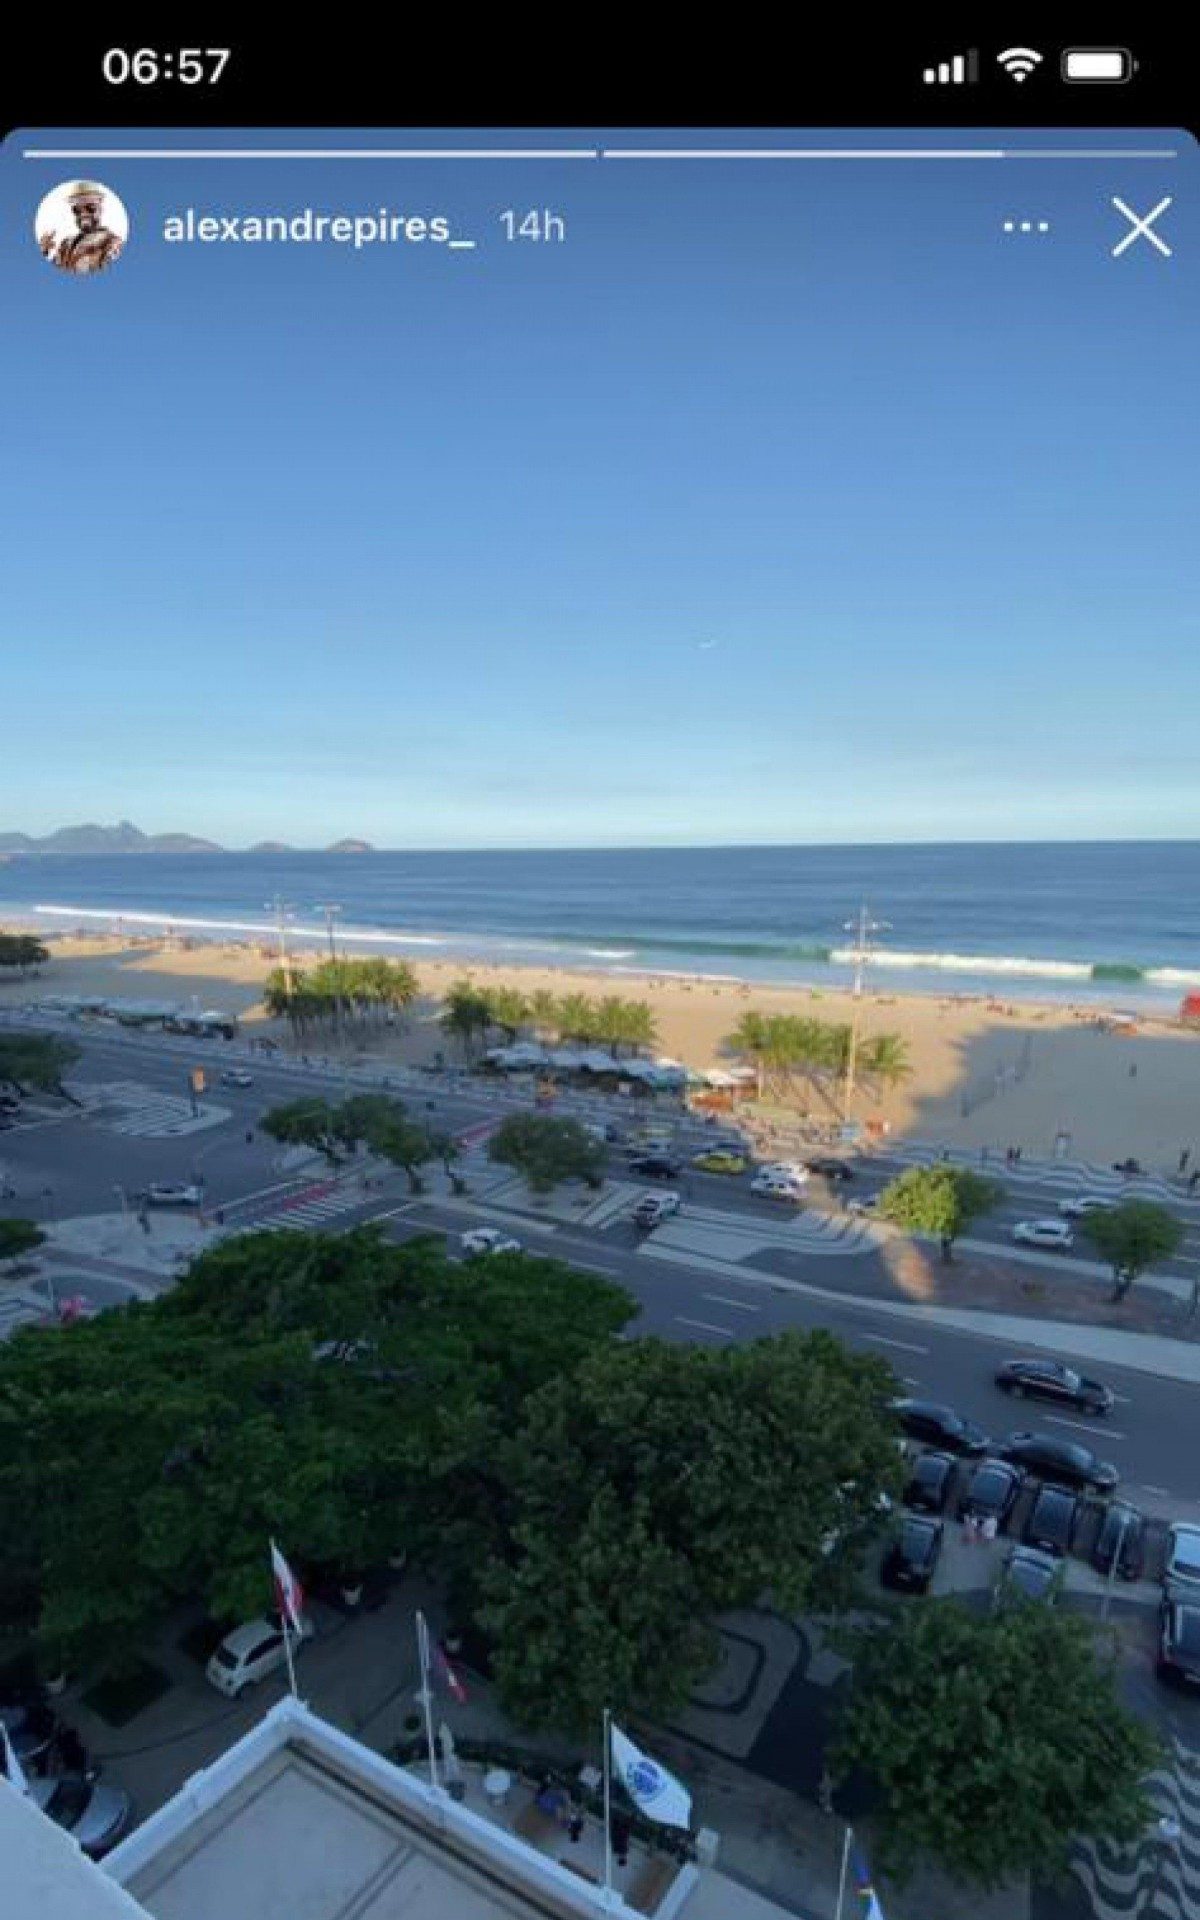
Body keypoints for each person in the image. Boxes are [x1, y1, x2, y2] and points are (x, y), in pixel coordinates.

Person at [39, 181, 123, 274]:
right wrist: (44, 251)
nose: (83, 214)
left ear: (101, 209)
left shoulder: (112, 243)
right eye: (76, 210)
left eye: (90, 208)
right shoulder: (66, 244)